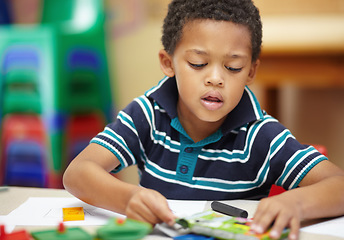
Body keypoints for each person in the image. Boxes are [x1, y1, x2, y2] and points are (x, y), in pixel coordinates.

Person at [63, 0, 344, 239]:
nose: (215, 78)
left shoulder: (261, 136)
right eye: (198, 64)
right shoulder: (146, 115)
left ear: (250, 71)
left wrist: (296, 203)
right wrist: (128, 199)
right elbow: (78, 173)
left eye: (233, 67)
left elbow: (339, 185)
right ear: (167, 62)